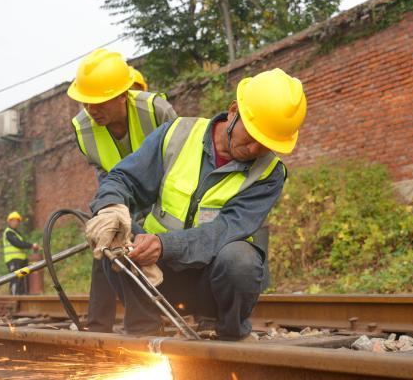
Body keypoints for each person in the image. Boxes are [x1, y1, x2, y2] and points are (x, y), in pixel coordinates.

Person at [85, 68, 307, 340]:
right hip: (154, 277)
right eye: (250, 137)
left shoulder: (269, 174)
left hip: (210, 285)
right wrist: (110, 208)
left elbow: (226, 229)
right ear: (234, 111)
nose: (253, 150)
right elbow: (124, 178)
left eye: (265, 145)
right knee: (115, 236)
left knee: (241, 260)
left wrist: (165, 246)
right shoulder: (177, 134)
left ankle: (228, 334)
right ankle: (143, 334)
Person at [67, 49, 178, 333]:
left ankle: (147, 325)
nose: (92, 110)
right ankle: (98, 328)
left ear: (122, 95)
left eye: (100, 102)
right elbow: (104, 174)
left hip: (164, 192)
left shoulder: (156, 111)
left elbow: (179, 163)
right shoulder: (83, 128)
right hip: (119, 193)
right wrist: (112, 213)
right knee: (105, 240)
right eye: (86, 102)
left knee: (146, 246)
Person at [2, 211, 39, 295]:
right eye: (14, 220)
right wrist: (31, 245)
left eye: (17, 221)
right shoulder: (8, 232)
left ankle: (22, 296)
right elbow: (18, 244)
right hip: (13, 261)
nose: (16, 223)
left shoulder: (17, 233)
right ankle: (14, 297)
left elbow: (21, 244)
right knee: (15, 278)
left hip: (21, 261)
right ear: (9, 221)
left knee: (22, 278)